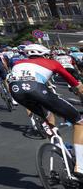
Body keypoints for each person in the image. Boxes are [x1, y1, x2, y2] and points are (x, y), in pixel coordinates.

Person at [7, 44, 83, 177]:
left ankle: (58, 144)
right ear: (45, 54)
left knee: (47, 116)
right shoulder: (51, 63)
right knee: (79, 122)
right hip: (37, 90)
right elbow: (75, 85)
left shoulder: (17, 63)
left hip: (16, 93)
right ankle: (80, 166)